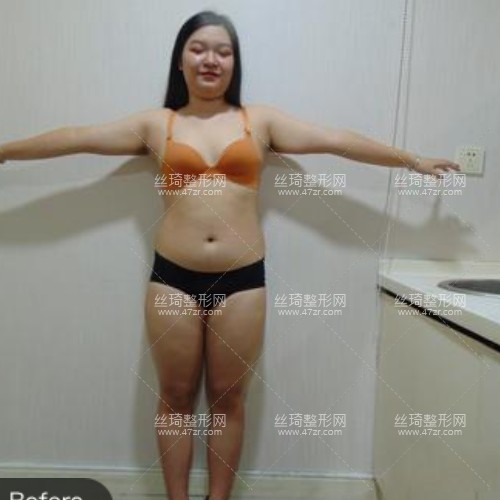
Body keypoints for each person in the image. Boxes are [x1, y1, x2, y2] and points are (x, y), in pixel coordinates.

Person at [0, 9, 460, 500]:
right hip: (172, 280)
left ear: (235, 63)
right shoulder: (157, 124)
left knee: (228, 399)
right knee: (175, 397)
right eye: (198, 49)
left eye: (223, 51)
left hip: (242, 282)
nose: (211, 59)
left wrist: (412, 160)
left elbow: (335, 140)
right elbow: (76, 138)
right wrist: (4, 150)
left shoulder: (258, 121)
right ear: (180, 60)